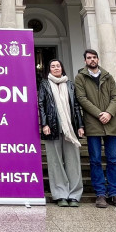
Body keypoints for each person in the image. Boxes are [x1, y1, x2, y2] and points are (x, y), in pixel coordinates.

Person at [74, 49, 116, 208]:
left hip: (110, 123)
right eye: (89, 58)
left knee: (113, 160)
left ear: (98, 59)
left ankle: (114, 194)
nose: (92, 60)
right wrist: (99, 114)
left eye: (94, 57)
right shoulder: (80, 77)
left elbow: (115, 96)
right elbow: (81, 98)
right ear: (85, 61)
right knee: (95, 160)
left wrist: (109, 113)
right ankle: (100, 194)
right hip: (92, 122)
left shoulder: (108, 76)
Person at [37, 58, 84, 207]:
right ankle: (60, 194)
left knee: (73, 161)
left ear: (62, 68)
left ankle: (74, 195)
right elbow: (41, 105)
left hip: (70, 127)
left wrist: (80, 125)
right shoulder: (44, 84)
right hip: (52, 126)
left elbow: (76, 106)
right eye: (53, 66)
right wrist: (44, 123)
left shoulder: (70, 84)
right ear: (49, 69)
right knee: (55, 162)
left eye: (58, 66)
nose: (56, 68)